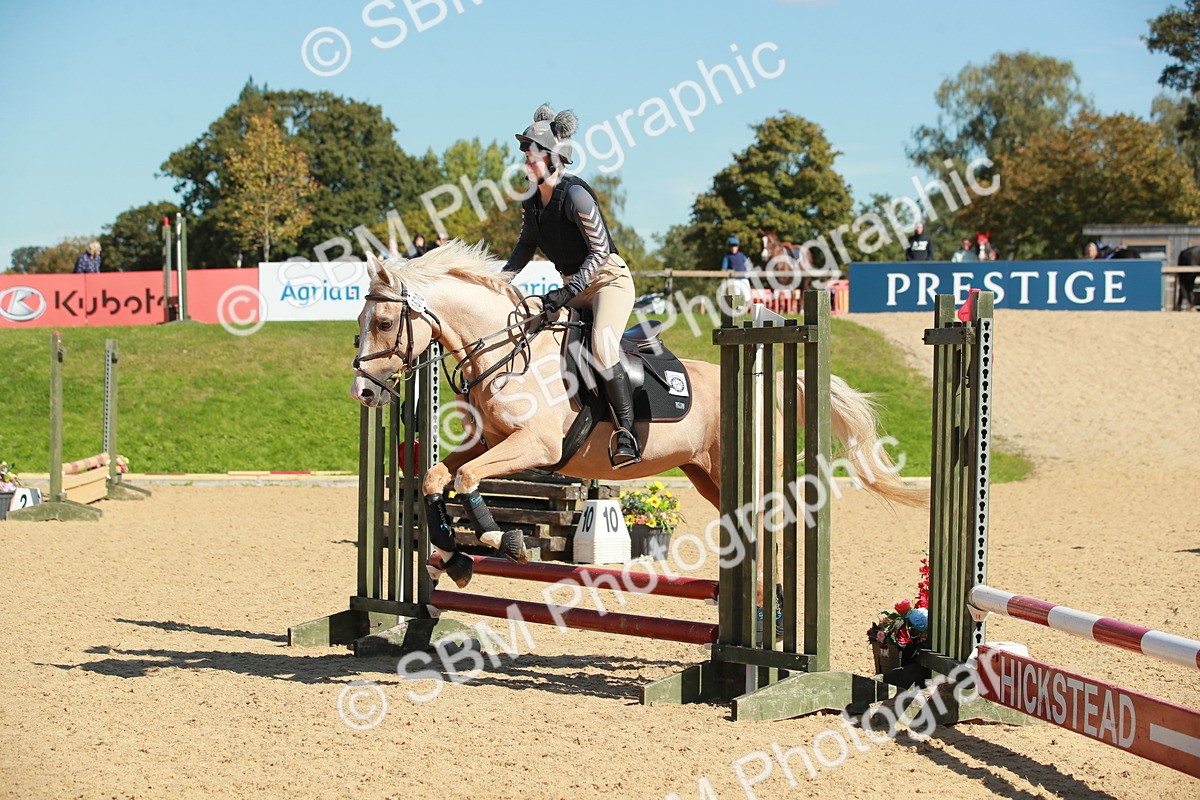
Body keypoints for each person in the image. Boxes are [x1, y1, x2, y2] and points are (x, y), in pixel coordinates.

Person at [502, 103, 641, 468]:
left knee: (602, 345)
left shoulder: (575, 195)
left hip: (608, 280)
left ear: (552, 157)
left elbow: (598, 253)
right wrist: (496, 282)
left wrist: (565, 293)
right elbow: (524, 247)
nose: (526, 160)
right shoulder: (532, 201)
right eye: (526, 154)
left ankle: (626, 432)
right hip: (574, 287)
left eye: (532, 154)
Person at [720, 235, 753, 303]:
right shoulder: (727, 257)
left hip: (744, 278)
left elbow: (748, 265)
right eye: (731, 246)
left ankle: (746, 311)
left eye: (735, 246)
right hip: (734, 280)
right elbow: (724, 268)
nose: (733, 248)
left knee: (748, 297)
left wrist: (749, 272)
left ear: (737, 247)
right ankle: (739, 312)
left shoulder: (742, 255)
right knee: (737, 297)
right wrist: (727, 272)